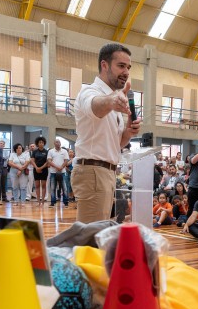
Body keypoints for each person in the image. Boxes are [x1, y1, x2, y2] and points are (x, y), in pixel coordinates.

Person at [72, 43, 141, 223]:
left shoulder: (115, 98)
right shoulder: (90, 92)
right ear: (104, 65)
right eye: (121, 66)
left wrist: (128, 131)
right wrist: (111, 101)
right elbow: (95, 106)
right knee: (90, 238)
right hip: (93, 172)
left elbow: (118, 144)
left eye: (128, 67)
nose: (126, 72)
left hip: (107, 173)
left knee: (97, 234)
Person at [47, 139, 70, 207]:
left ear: (60, 143)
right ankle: (53, 202)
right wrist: (57, 167)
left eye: (59, 142)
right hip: (53, 172)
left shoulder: (64, 151)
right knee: (53, 188)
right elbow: (49, 161)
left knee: (64, 187)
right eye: (56, 142)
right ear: (54, 143)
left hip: (62, 172)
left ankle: (66, 202)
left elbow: (66, 160)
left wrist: (61, 167)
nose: (58, 143)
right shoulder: (51, 151)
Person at [31, 136, 49, 206]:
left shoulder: (47, 152)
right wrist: (36, 168)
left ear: (44, 143)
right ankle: (38, 200)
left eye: (42, 142)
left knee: (43, 185)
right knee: (37, 185)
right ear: (37, 144)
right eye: (39, 142)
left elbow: (48, 162)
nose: (41, 143)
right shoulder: (34, 151)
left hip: (44, 170)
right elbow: (32, 161)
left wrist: (41, 168)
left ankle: (43, 200)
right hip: (36, 170)